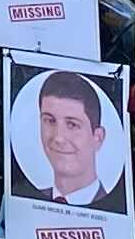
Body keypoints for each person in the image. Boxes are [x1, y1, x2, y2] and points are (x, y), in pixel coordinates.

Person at [18, 71, 116, 205]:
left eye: (72, 124)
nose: (58, 138)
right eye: (50, 121)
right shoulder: (21, 197)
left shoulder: (115, 205)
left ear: (97, 137)